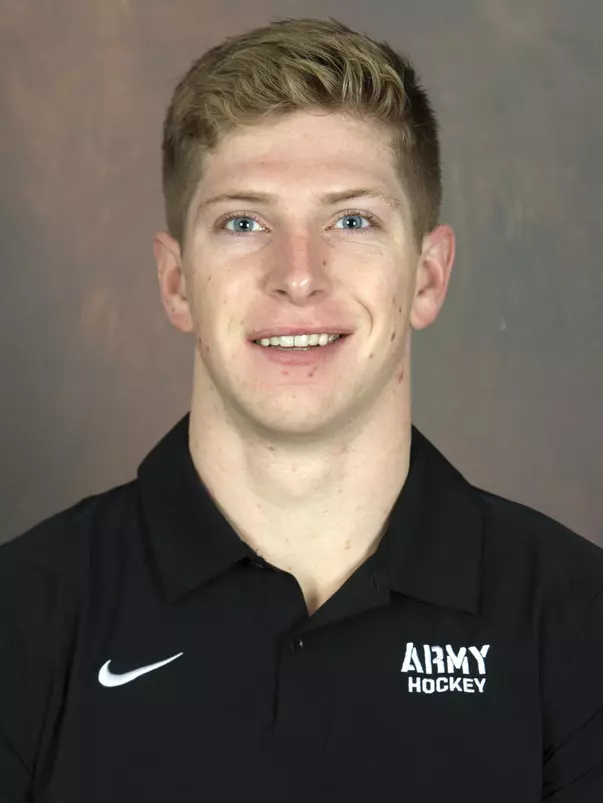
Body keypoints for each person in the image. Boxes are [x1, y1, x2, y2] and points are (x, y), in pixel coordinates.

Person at [1, 16, 602, 803]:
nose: (297, 274)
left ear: (425, 275)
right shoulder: (23, 617)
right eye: (242, 222)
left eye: (351, 220)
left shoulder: (577, 621)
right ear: (177, 281)